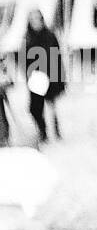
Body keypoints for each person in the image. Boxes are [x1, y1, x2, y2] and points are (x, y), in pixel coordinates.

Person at [22, 8, 65, 144]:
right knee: (35, 108)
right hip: (36, 77)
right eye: (32, 19)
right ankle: (43, 130)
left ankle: (56, 129)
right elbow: (24, 60)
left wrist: (60, 78)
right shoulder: (27, 39)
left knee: (52, 104)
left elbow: (57, 57)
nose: (36, 22)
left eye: (37, 18)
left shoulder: (50, 36)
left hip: (51, 74)